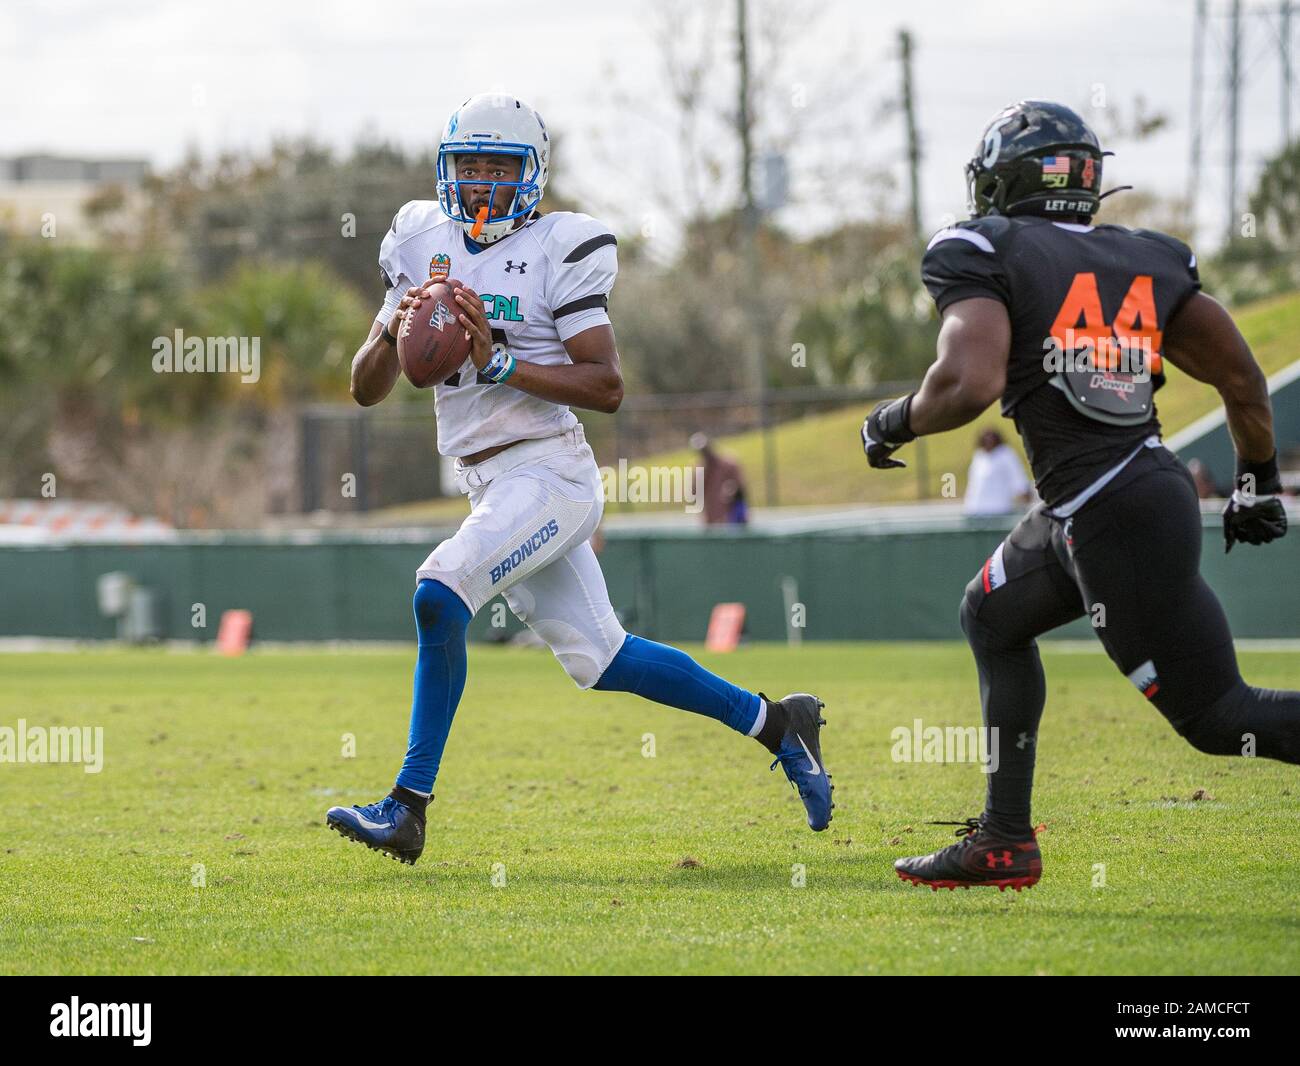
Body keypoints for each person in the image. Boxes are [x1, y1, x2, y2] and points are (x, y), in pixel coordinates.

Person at [327, 94, 832, 864]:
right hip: (487, 481)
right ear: (445, 171)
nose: (482, 184)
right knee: (604, 659)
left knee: (439, 592)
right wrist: (392, 332)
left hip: (550, 470)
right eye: (469, 167)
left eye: (500, 167)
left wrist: (499, 361)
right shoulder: (418, 240)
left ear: (532, 174)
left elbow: (607, 386)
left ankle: (407, 808)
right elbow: (365, 388)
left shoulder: (561, 246)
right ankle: (778, 724)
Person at [861, 100, 1296, 891]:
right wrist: (1254, 481)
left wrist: (890, 422)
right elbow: (1241, 378)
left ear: (1003, 183)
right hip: (1101, 504)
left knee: (1220, 719)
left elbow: (968, 381)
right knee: (991, 614)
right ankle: (1002, 840)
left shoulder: (982, 246)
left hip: (1113, 511)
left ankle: (1003, 837)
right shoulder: (1145, 257)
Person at [964, 428, 1032, 515]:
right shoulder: (979, 456)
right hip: (975, 510)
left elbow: (1018, 479)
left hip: (998, 511)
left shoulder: (1006, 455)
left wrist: (1024, 497)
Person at [691, 433, 749, 525]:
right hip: (711, 521)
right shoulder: (700, 471)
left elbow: (741, 487)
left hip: (733, 520)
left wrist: (731, 491)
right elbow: (694, 496)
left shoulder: (729, 464)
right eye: (702, 451)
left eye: (706, 450)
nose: (706, 454)